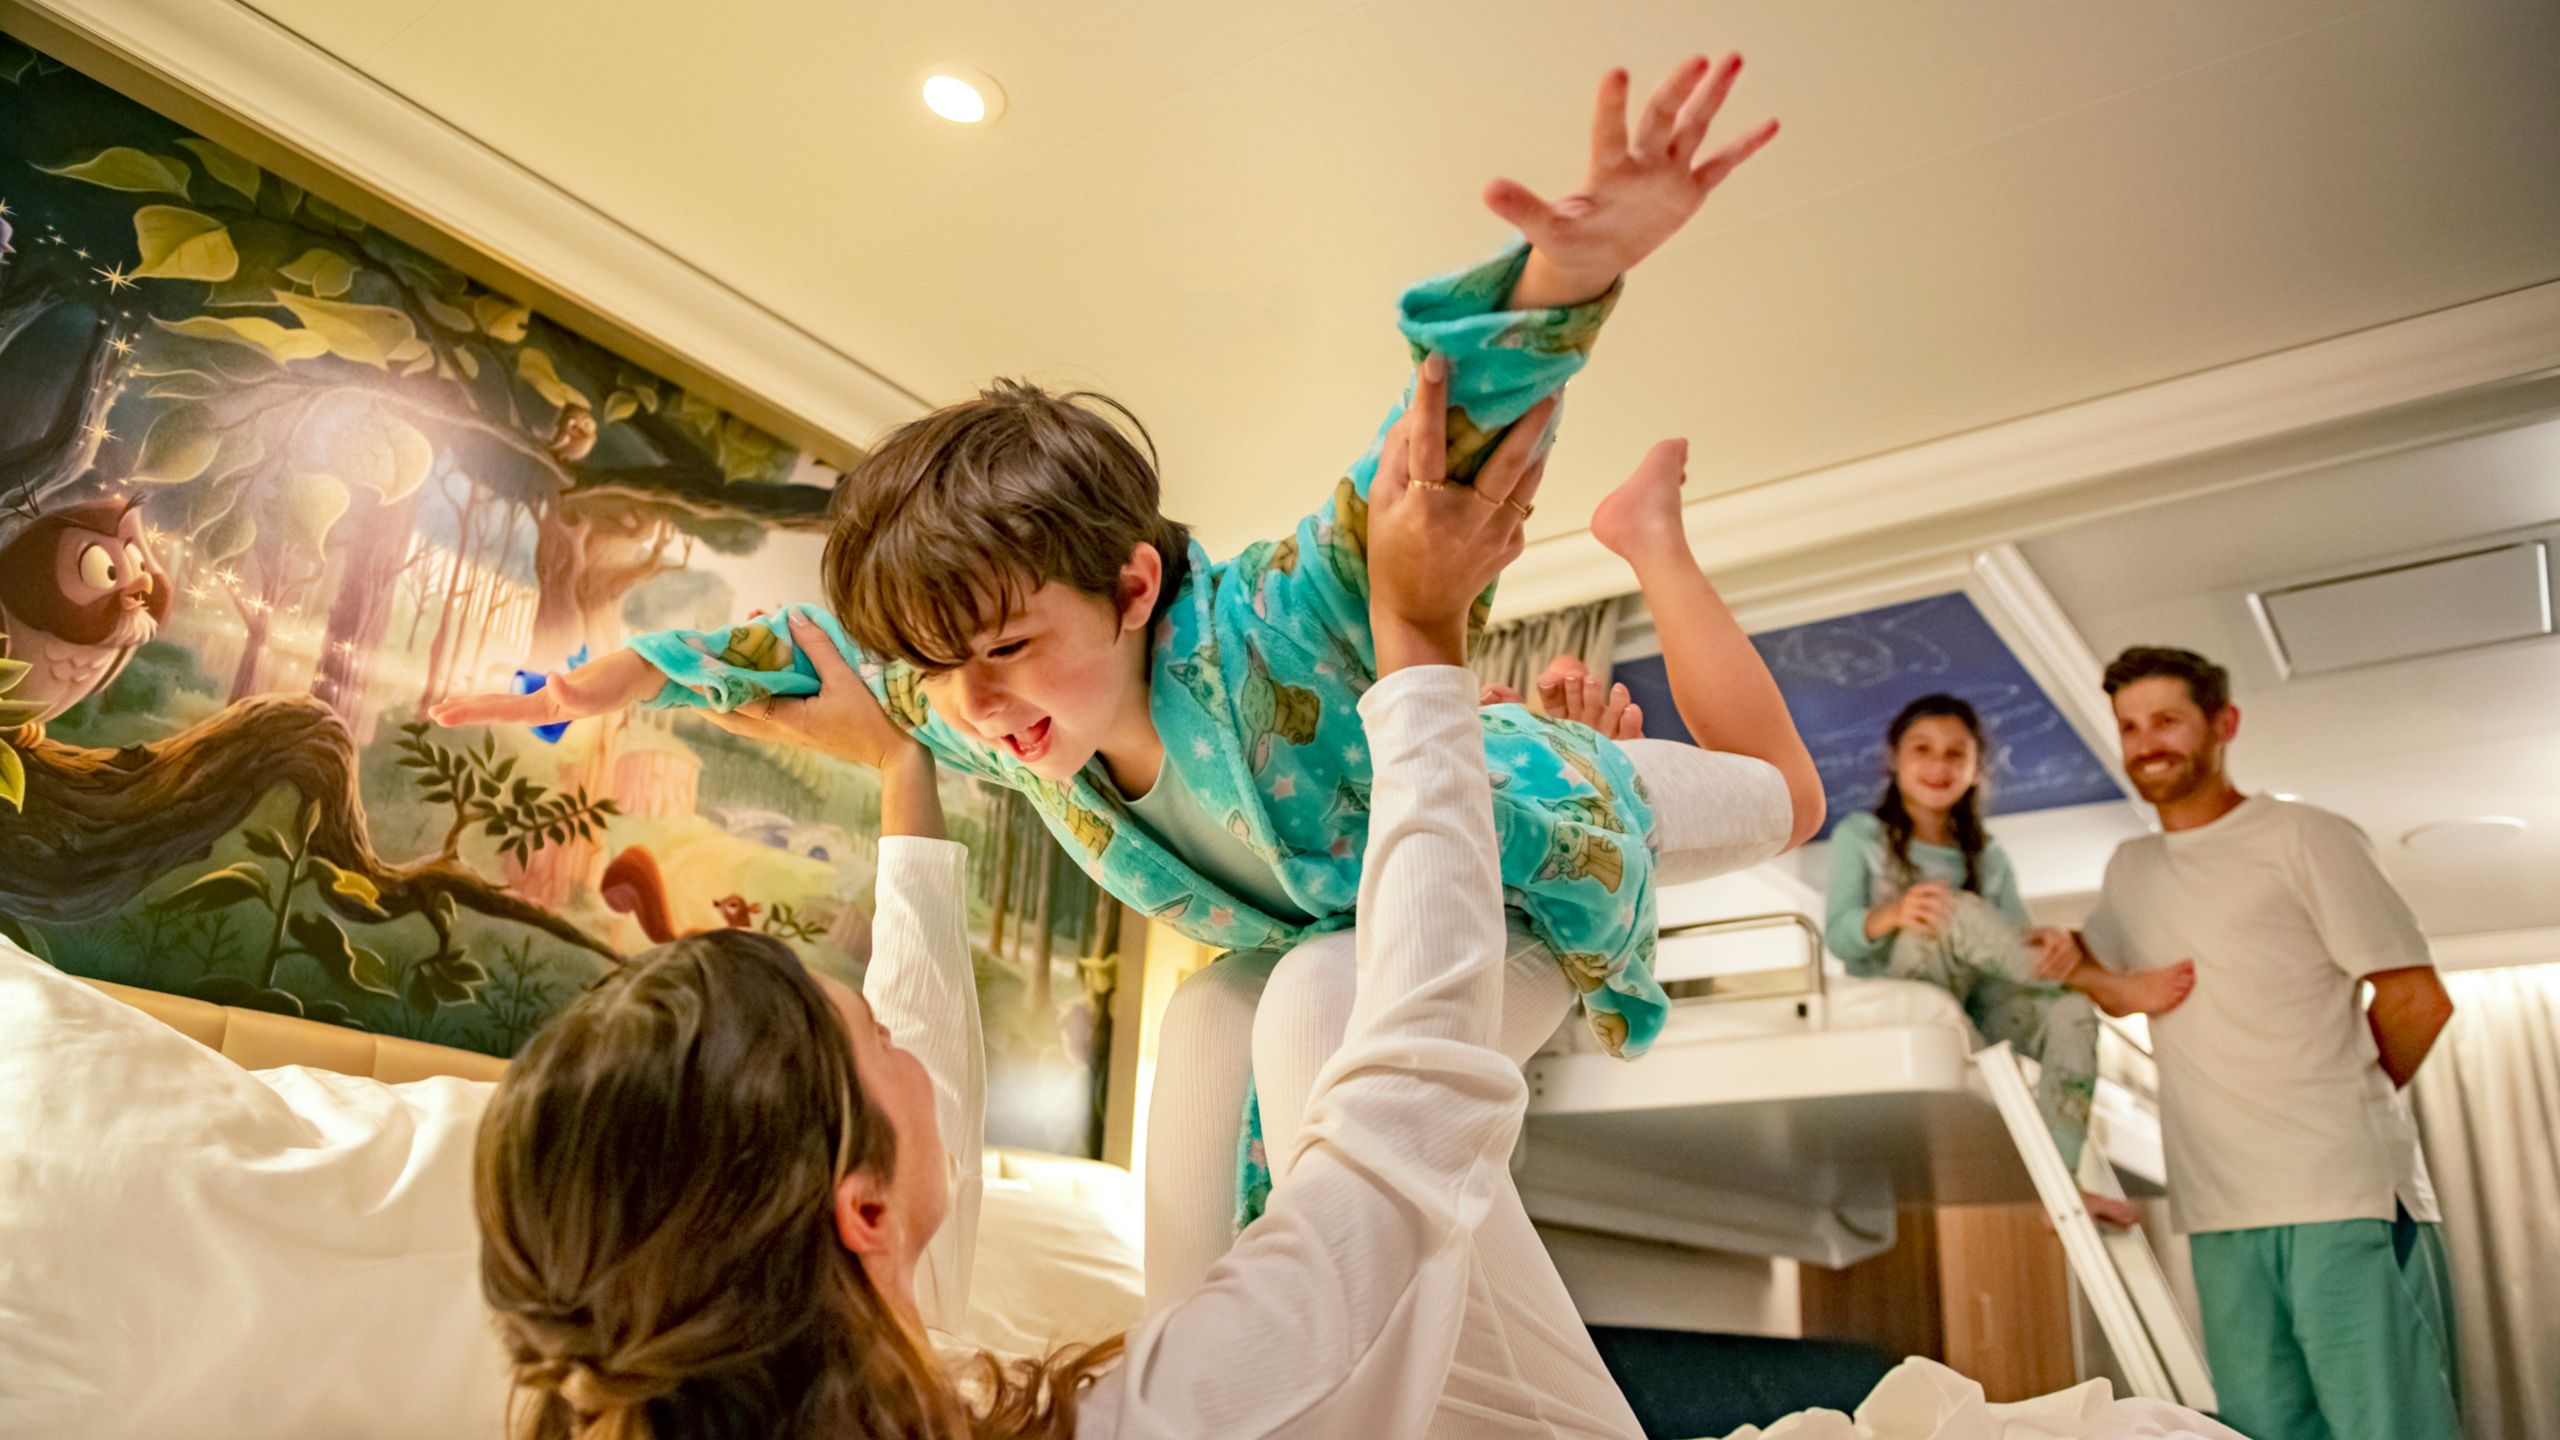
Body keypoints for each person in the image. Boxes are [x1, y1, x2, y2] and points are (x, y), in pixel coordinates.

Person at [434, 52, 1820, 1355]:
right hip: (1339, 921)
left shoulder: (1271, 620)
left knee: (1781, 810)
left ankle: (1652, 540)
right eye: (943, 672)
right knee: (1218, 1021)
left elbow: (1410, 479)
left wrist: (1565, 274)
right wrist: (630, 669)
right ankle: (1194, 1389)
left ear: (1137, 585)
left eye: (1011, 644)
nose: (974, 702)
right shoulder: (1014, 729)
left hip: (1532, 827)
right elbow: (827, 657)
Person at [472, 365, 1642, 1438]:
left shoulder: (871, 1362)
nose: (907, 1047)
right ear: (862, 1211)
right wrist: (1422, 650)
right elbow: (1394, 1146)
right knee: (1320, 1004)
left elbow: (863, 699)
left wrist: (871, 754)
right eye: (870, 1036)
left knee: (1219, 1020)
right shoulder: (1157, 1414)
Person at [2030, 647, 2462, 1440]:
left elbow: (2417, 1002)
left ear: (2223, 724)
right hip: (2218, 1210)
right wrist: (2082, 970)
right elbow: (2091, 976)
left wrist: (2329, 1100)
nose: (2145, 742)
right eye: (2129, 726)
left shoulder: (2305, 836)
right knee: (2261, 1432)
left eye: (2166, 720)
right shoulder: (2132, 869)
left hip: (2340, 1196)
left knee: (2391, 1429)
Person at [1823, 694, 2193, 1226]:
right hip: (1908, 987)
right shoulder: (1862, 835)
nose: (1938, 765)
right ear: (1893, 760)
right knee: (1949, 909)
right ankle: (2106, 984)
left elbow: (2012, 940)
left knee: (2072, 1014)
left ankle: (2059, 1185)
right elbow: (1839, 936)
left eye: (1956, 754)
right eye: (1922, 749)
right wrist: (1895, 914)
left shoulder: (1987, 856)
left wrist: (2049, 943)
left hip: (1978, 1001)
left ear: (1976, 769)